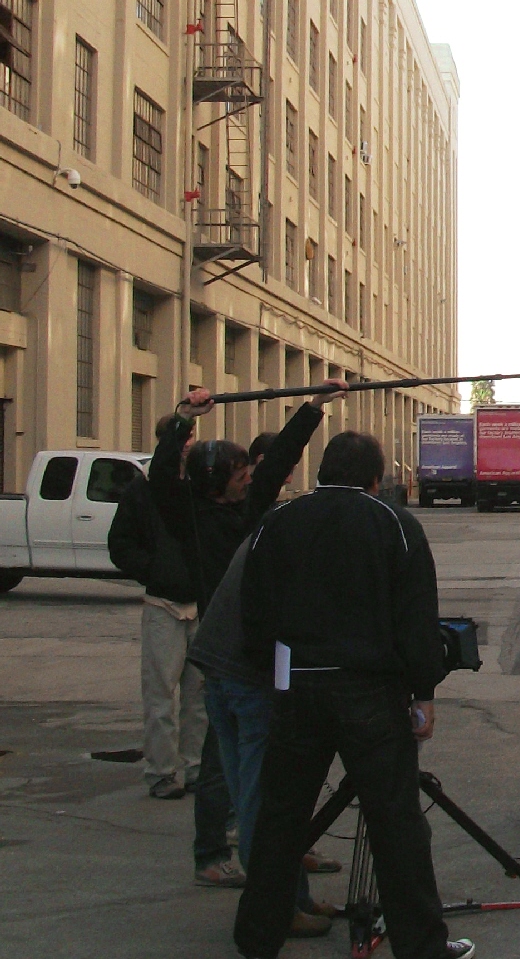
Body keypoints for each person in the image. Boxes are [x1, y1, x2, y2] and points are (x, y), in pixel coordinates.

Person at [233, 431, 474, 959]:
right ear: (374, 477)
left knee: (282, 819)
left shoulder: (279, 522)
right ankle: (422, 946)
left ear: (321, 472)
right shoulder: (394, 525)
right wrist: (423, 691)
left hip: (296, 687)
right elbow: (416, 616)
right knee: (396, 825)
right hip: (369, 692)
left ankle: (256, 936)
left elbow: (252, 611)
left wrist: (273, 674)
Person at [148, 381, 346, 889]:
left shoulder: (246, 507)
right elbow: (161, 477)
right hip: (228, 660)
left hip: (261, 654)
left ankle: (281, 847)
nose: (249, 479)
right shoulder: (190, 517)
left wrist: (312, 408)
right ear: (218, 482)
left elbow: (277, 460)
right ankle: (216, 854)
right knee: (228, 767)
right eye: (240, 475)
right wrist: (183, 420)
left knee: (269, 765)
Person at [187, 438, 338, 938]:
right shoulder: (288, 540)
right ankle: (276, 911)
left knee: (254, 796)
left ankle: (291, 899)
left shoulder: (271, 528)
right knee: (263, 803)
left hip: (219, 672)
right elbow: (285, 629)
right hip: (242, 682)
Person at [108, 415, 201, 800]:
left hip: (200, 602)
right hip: (163, 603)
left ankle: (197, 768)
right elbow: (121, 545)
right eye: (179, 440)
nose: (186, 446)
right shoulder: (141, 491)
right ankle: (162, 771)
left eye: (190, 439)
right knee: (161, 694)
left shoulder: (197, 487)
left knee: (200, 697)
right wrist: (155, 570)